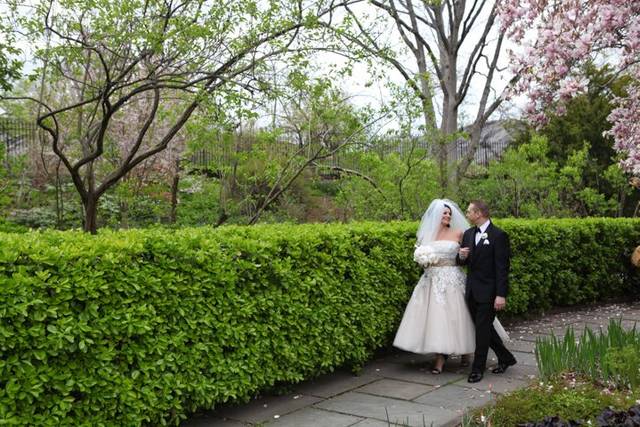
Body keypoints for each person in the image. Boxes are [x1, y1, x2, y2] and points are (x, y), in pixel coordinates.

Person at [393, 199, 475, 374]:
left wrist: (462, 256)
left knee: (459, 316)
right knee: (437, 319)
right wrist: (423, 259)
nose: (447, 216)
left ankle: (465, 351)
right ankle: (439, 358)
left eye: (449, 214)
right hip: (431, 280)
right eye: (444, 213)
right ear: (436, 215)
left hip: (453, 279)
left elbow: (466, 259)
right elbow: (422, 261)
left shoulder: (458, 233)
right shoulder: (426, 235)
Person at [457, 200, 517, 383]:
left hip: (490, 292)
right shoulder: (468, 234)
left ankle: (477, 369)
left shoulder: (498, 235)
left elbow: (502, 268)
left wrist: (501, 295)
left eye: (469, 212)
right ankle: (506, 358)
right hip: (472, 291)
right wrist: (461, 257)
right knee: (484, 328)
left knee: (482, 331)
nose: (467, 215)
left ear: (479, 213)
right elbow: (463, 262)